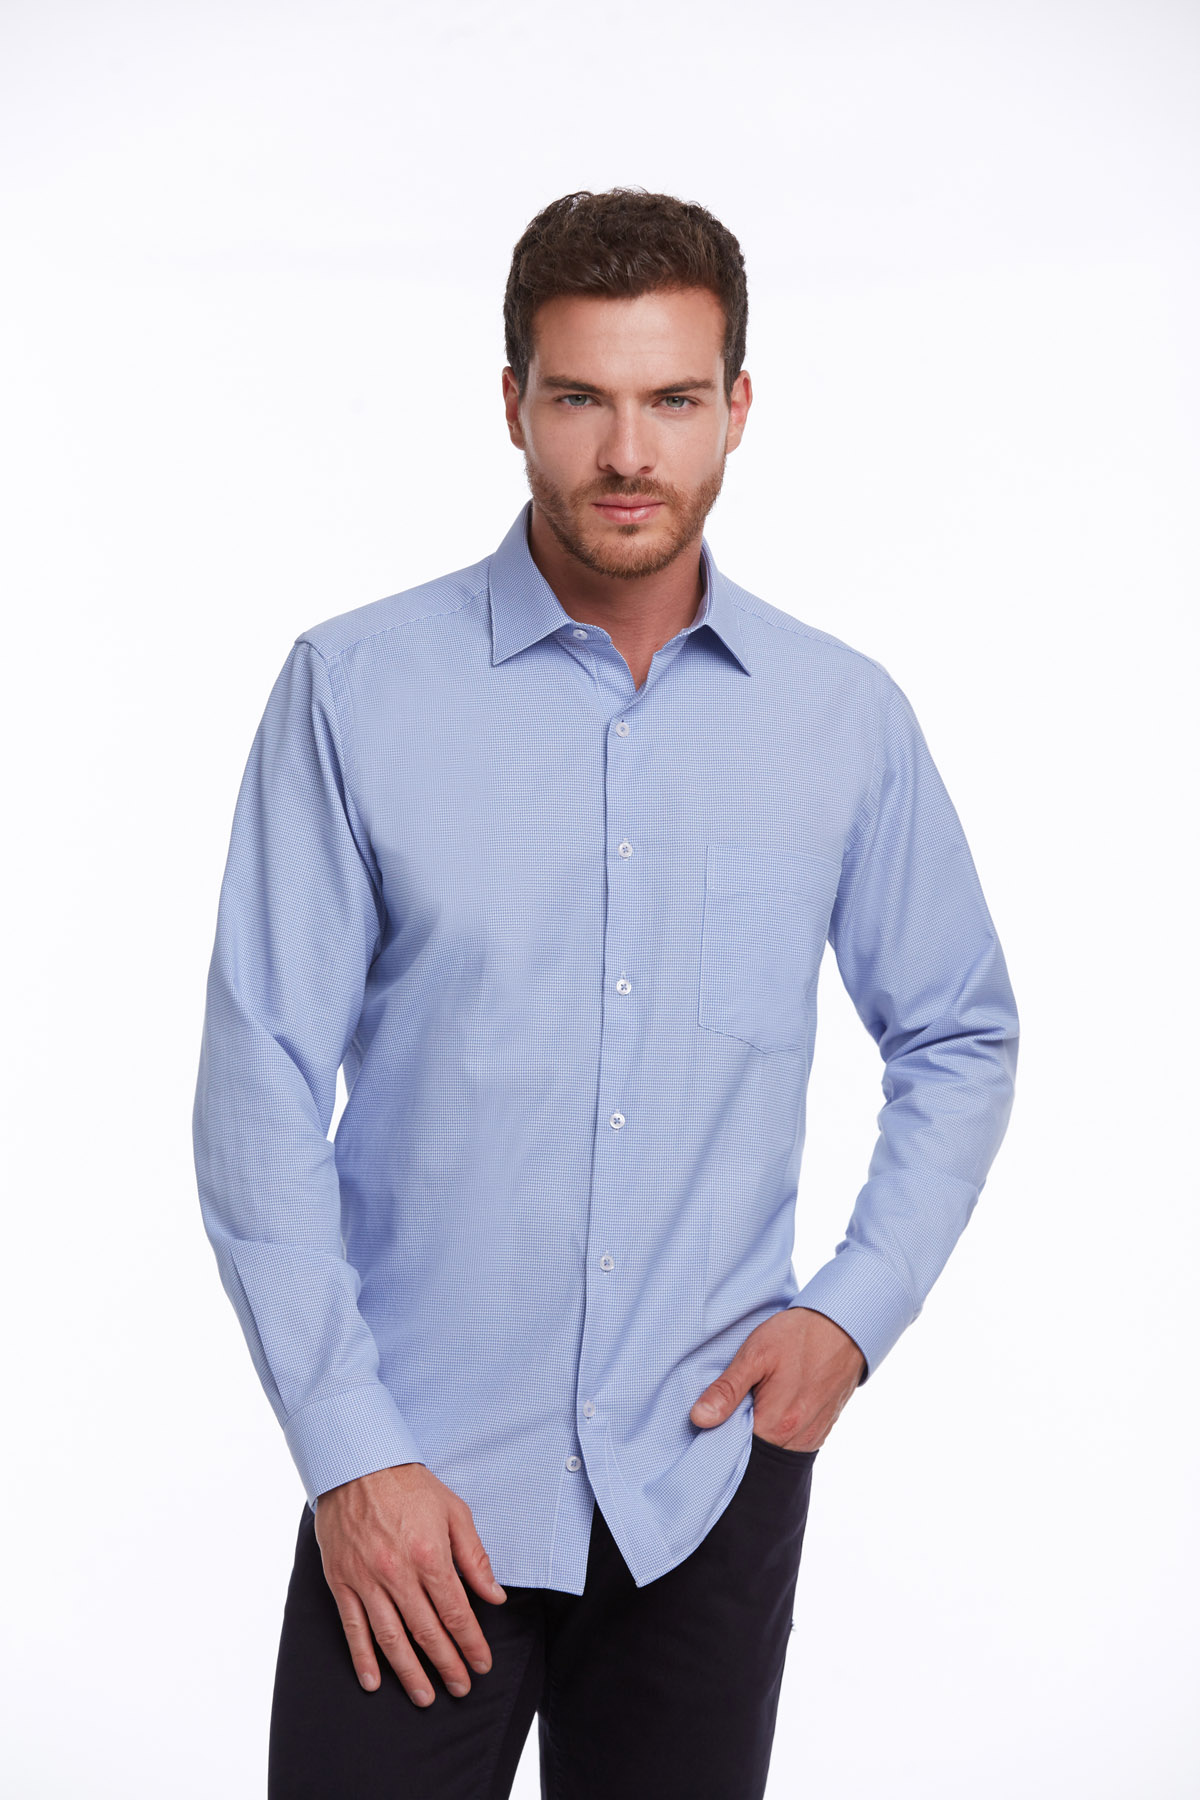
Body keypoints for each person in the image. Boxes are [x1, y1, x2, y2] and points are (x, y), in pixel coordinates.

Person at [192, 186, 1019, 1799]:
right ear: (513, 403)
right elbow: (259, 1081)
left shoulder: (842, 717)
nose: (628, 453)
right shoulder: (353, 691)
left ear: (738, 408)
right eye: (581, 398)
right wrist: (350, 1456)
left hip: (702, 1484)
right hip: (417, 1497)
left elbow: (960, 1030)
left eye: (673, 400)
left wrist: (852, 1316)